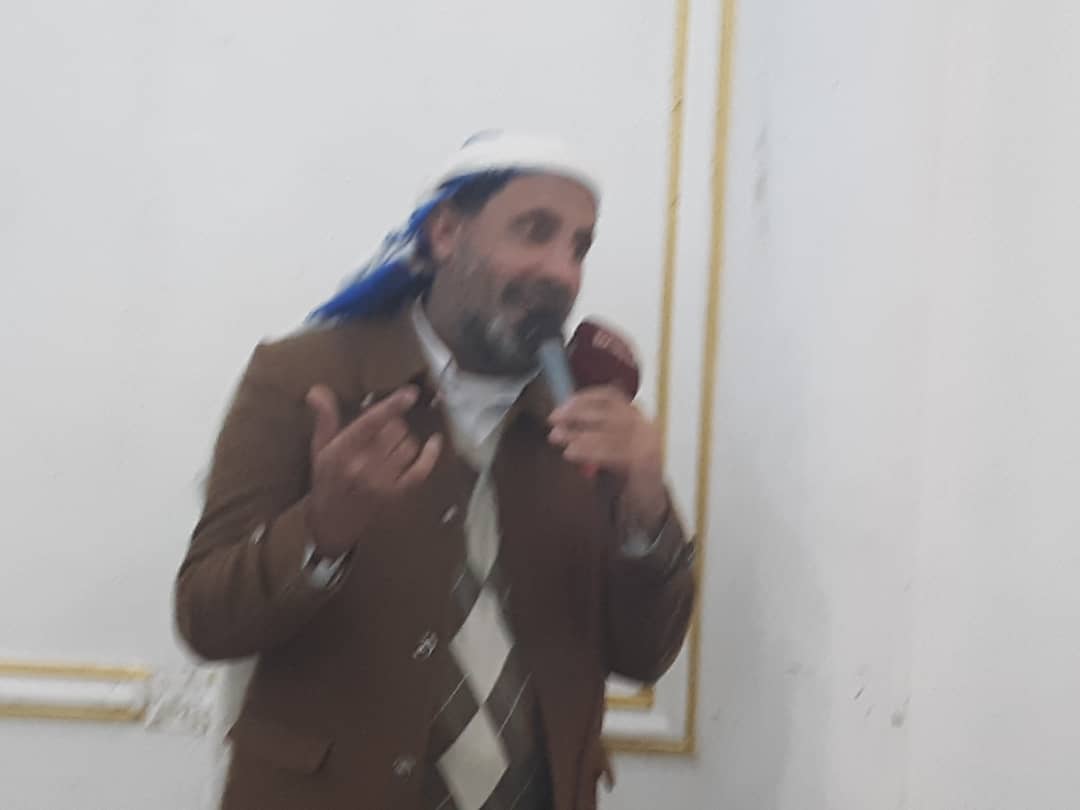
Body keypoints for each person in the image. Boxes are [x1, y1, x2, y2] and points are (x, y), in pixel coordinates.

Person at [175, 131, 697, 810]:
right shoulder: (305, 379)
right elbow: (206, 619)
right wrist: (321, 533)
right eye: (534, 231)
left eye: (578, 247)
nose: (562, 272)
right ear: (447, 232)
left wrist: (646, 507)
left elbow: (642, 654)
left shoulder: (586, 414)